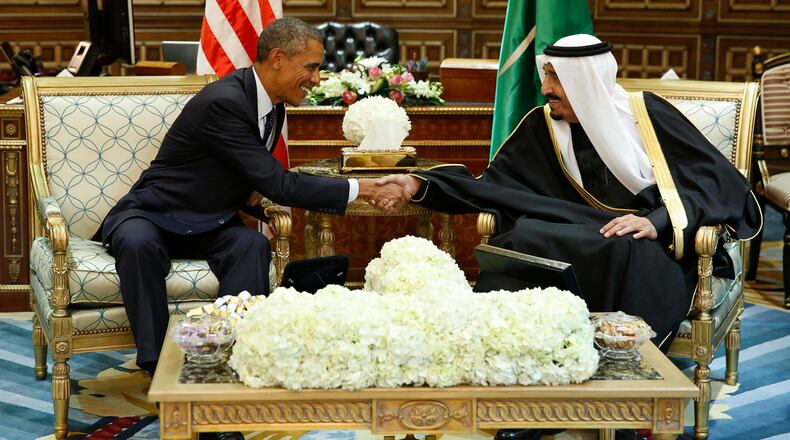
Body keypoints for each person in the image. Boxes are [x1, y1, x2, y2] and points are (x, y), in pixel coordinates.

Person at [377, 34, 761, 350]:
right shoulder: (541, 126)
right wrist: (419, 184)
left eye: (556, 78)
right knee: (523, 237)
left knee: (621, 245)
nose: (545, 89)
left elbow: (718, 182)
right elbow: (491, 188)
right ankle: (526, 355)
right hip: (570, 229)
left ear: (586, 82)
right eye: (546, 76)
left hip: (642, 241)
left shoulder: (645, 114)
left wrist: (657, 221)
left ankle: (621, 369)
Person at [93, 17, 404, 379]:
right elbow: (279, 184)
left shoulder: (273, 105)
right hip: (154, 214)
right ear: (277, 59)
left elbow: (238, 171)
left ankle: (237, 356)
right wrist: (363, 188)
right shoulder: (224, 101)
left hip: (210, 220)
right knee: (136, 242)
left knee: (251, 245)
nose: (317, 79)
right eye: (311, 67)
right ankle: (158, 366)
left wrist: (254, 196)